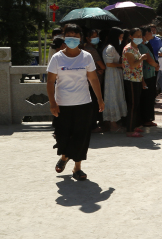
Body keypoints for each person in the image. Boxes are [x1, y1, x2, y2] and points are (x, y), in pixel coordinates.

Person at [46, 23, 105, 181]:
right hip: (62, 104)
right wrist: (52, 103)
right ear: (64, 37)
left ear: (80, 38)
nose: (72, 39)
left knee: (81, 136)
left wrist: (99, 99)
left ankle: (77, 168)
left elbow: (93, 79)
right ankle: (64, 156)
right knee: (62, 135)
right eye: (69, 36)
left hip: (83, 103)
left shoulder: (86, 56)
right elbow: (50, 82)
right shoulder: (57, 58)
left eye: (76, 36)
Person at [81, 28, 107, 132]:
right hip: (93, 81)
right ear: (87, 38)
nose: (96, 38)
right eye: (94, 36)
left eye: (97, 36)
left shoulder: (84, 49)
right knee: (93, 104)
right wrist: (102, 69)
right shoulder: (91, 50)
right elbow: (102, 66)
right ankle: (93, 126)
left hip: (86, 81)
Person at [101, 27, 127, 132]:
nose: (121, 39)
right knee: (112, 97)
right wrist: (121, 65)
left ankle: (113, 123)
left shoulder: (111, 47)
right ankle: (113, 125)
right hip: (112, 75)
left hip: (115, 74)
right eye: (120, 37)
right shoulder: (110, 48)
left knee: (116, 96)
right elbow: (109, 64)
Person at [123, 28, 145, 137]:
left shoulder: (136, 48)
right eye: (137, 35)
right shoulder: (128, 49)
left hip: (137, 79)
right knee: (132, 105)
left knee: (136, 104)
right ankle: (130, 130)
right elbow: (132, 64)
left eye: (140, 35)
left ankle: (134, 125)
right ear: (131, 36)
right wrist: (142, 58)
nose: (139, 37)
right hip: (131, 79)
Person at [138, 27, 159, 127]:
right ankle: (146, 119)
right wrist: (156, 65)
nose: (152, 33)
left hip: (150, 74)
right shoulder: (141, 46)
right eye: (150, 32)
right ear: (145, 34)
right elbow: (150, 60)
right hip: (146, 75)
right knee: (147, 97)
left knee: (150, 97)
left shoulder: (145, 45)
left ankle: (148, 118)